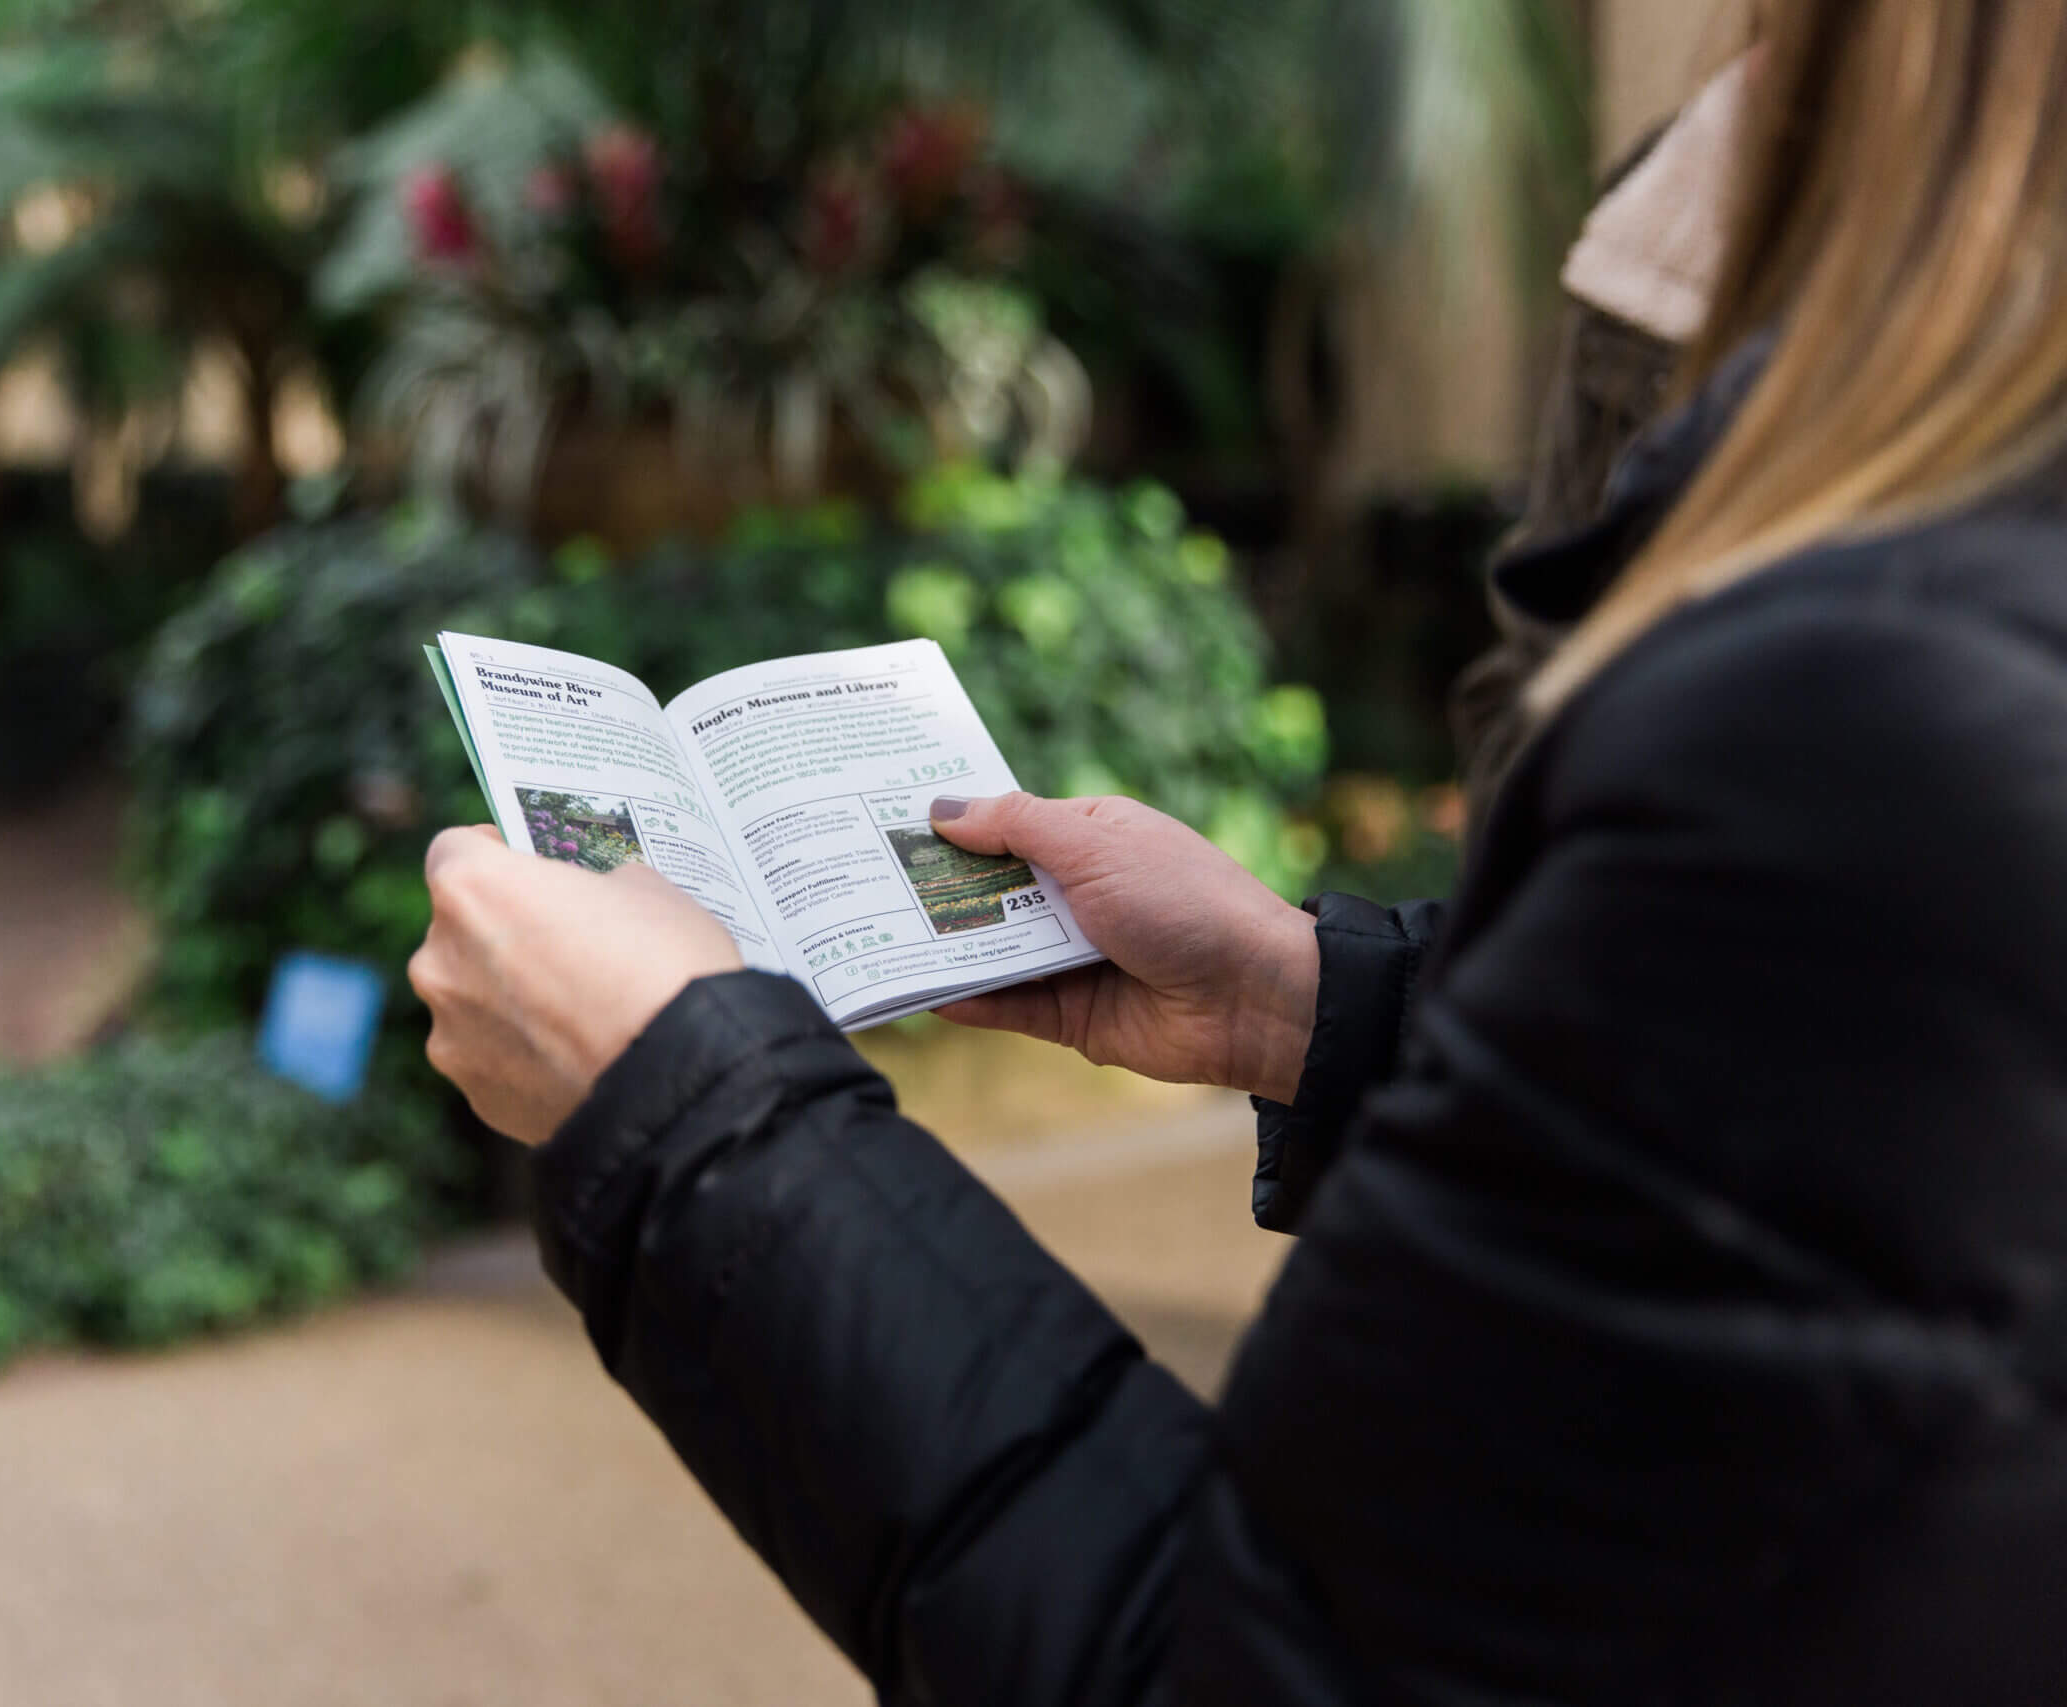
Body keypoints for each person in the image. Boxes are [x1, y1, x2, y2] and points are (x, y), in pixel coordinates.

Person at [408, 2, 2067, 1699]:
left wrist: (681, 1104)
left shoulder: (1874, 707)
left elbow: (1244, 1672)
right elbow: (1821, 1138)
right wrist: (1318, 1003)